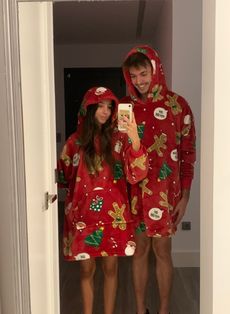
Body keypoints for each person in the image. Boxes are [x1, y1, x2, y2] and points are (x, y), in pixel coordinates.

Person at [57, 86, 148, 314]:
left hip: (113, 216)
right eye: (100, 106)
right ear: (89, 108)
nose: (106, 112)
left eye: (110, 107)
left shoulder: (119, 139)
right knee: (86, 270)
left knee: (111, 269)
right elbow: (63, 176)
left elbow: (137, 173)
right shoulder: (74, 142)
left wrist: (135, 137)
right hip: (83, 216)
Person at [121, 45, 196, 314]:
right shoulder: (124, 109)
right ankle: (141, 310)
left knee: (163, 253)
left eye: (144, 74)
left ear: (155, 70)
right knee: (139, 252)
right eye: (134, 76)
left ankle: (163, 310)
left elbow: (188, 153)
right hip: (135, 195)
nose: (140, 81)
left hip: (167, 196)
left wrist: (185, 195)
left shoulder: (178, 105)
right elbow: (119, 156)